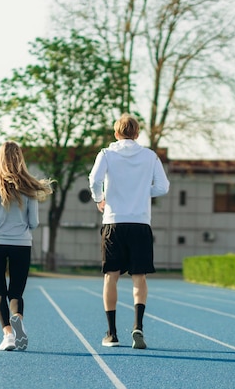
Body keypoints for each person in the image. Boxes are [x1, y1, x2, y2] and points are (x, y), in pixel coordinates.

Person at [88, 113, 170, 349]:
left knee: (110, 276)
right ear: (137, 133)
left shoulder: (106, 154)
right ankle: (138, 327)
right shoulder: (150, 156)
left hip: (114, 222)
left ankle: (111, 333)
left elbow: (94, 180)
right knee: (139, 277)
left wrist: (99, 198)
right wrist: (143, 192)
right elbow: (163, 187)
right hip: (140, 223)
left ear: (116, 133)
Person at [0, 141, 54, 351]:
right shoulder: (29, 188)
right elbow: (34, 223)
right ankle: (17, 321)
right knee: (16, 293)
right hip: (21, 244)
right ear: (20, 159)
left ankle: (8, 336)